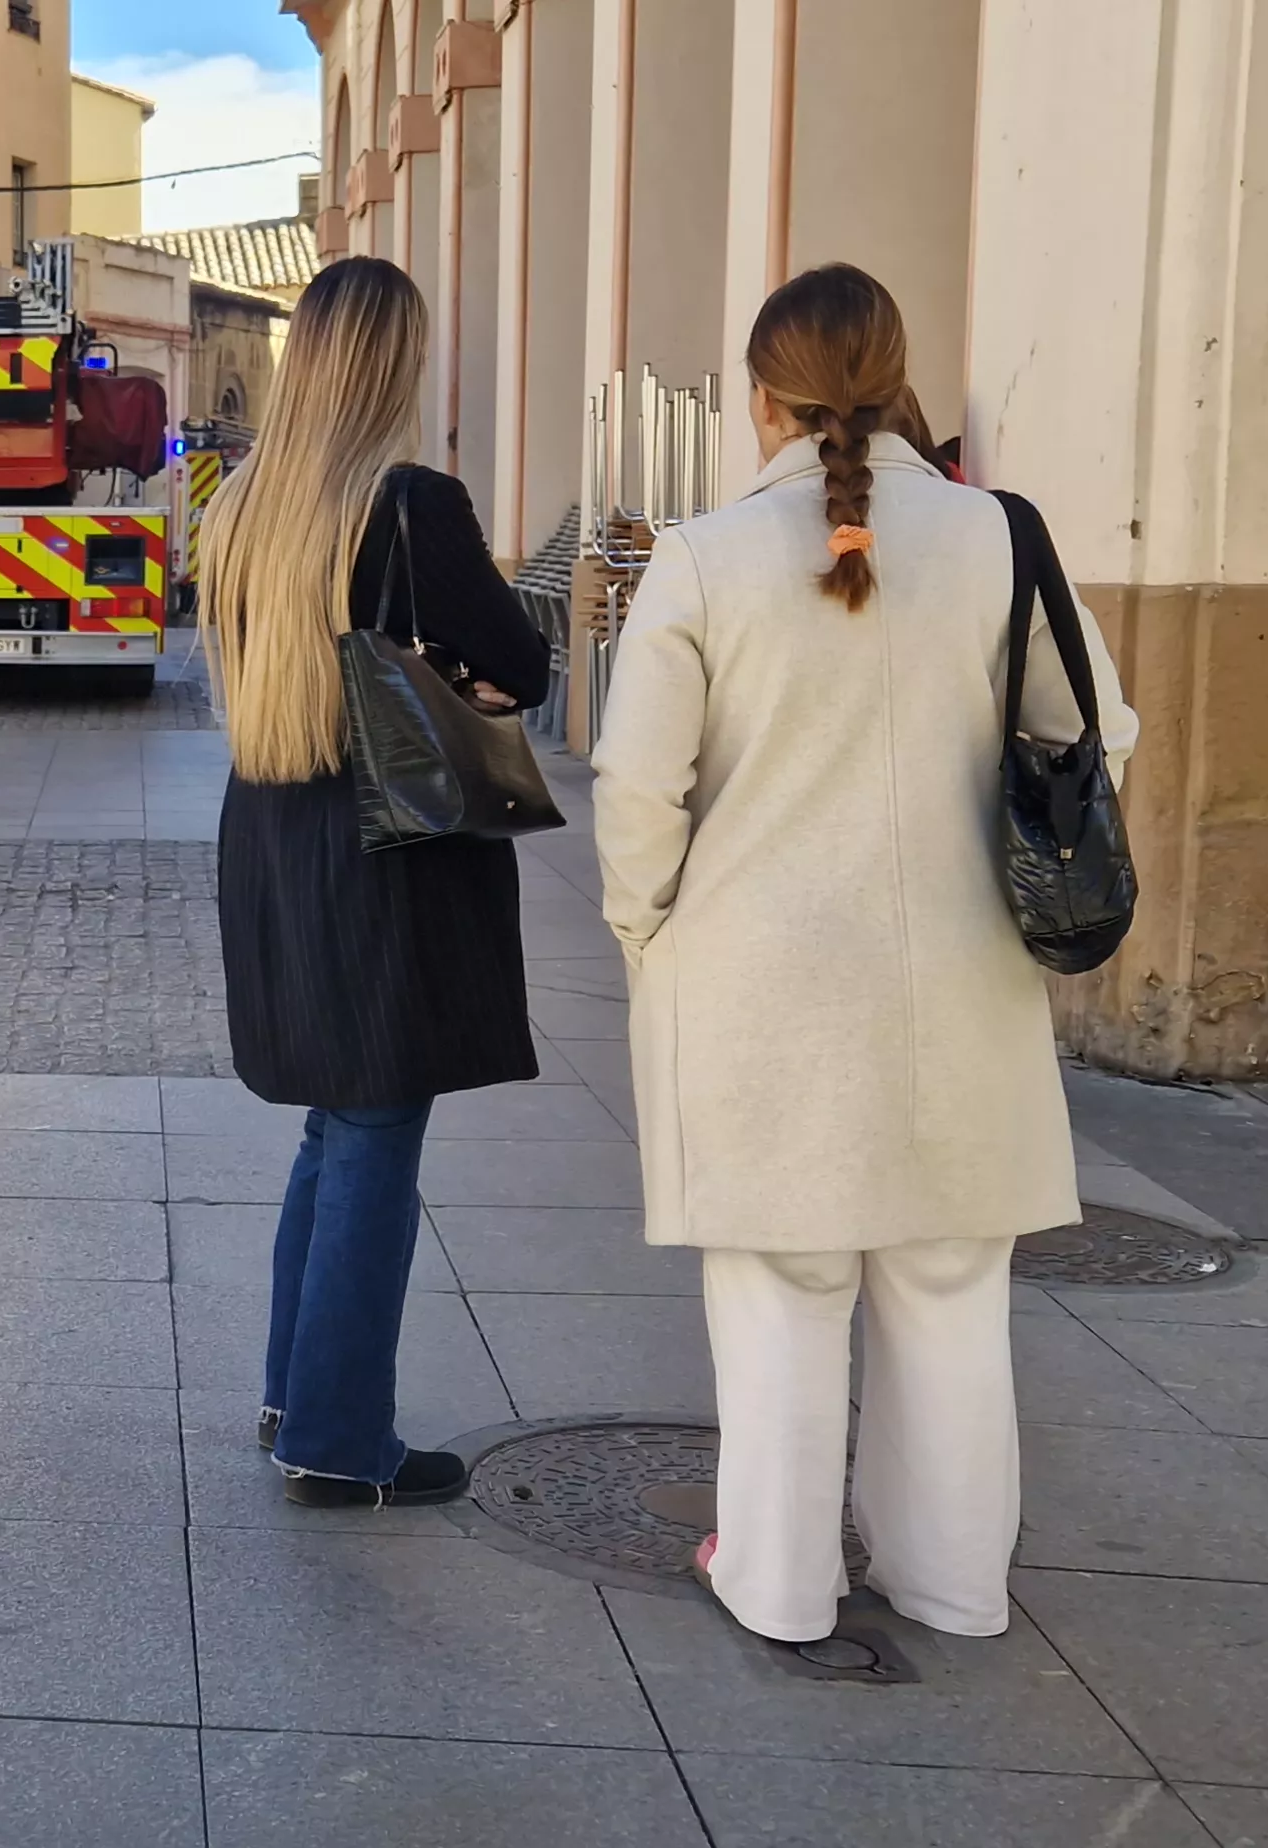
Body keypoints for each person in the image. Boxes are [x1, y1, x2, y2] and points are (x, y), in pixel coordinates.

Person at [592, 263, 1137, 1646]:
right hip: (963, 981)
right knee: (954, 1295)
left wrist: (649, 932)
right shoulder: (999, 538)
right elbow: (1096, 734)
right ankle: (954, 1585)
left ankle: (776, 1583)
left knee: (783, 1293)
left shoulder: (705, 556)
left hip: (759, 983)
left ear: (763, 397)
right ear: (898, 380)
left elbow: (637, 785)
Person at [206, 256, 551, 1508]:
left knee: (333, 1124)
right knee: (372, 1134)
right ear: (391, 364)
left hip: (274, 828)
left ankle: (295, 1393)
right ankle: (341, 1439)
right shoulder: (407, 503)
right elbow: (522, 661)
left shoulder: (243, 506)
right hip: (384, 845)